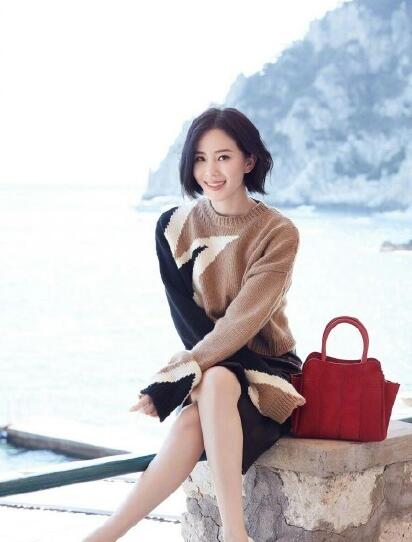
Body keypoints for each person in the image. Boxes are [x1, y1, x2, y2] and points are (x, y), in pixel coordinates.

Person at [83, 107, 305, 542]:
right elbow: (186, 318)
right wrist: (187, 373)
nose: (210, 171)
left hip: (267, 369)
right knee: (198, 409)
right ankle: (106, 536)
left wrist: (174, 378)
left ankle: (232, 534)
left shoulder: (278, 232)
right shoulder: (173, 227)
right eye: (200, 159)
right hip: (212, 363)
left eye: (224, 157)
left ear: (249, 160)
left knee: (214, 385)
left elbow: (244, 320)